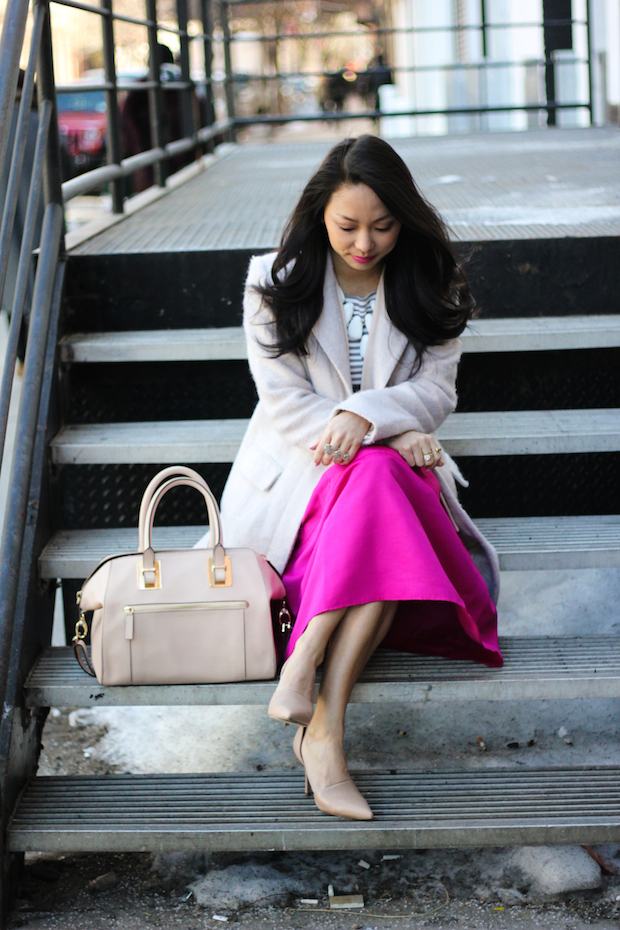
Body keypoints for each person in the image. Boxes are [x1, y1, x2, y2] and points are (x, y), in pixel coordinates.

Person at [216, 135, 502, 821]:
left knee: (376, 479)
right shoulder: (272, 282)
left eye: (383, 225)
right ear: (320, 214)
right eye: (348, 226)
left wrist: (365, 417)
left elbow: (438, 392)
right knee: (378, 483)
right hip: (302, 480)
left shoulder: (433, 281)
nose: (365, 243)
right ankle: (324, 732)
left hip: (388, 481)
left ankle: (309, 681)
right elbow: (283, 403)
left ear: (405, 219)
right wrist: (385, 429)